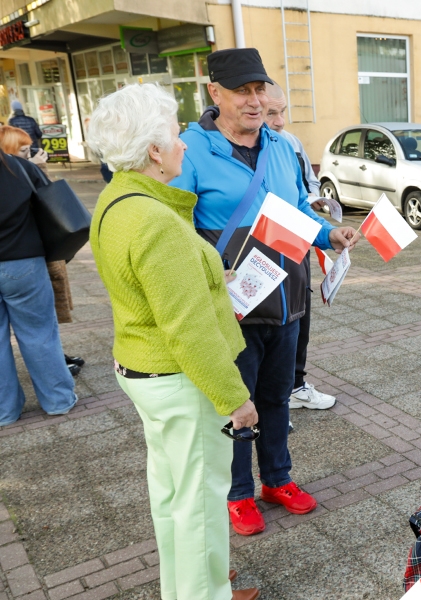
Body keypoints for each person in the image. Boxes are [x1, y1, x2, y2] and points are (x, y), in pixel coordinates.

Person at [170, 48, 357, 536]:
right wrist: (209, 269)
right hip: (232, 305)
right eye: (241, 92)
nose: (254, 101)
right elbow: (177, 228)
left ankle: (277, 478)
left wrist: (326, 234)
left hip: (286, 296)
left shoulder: (278, 145)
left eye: (259, 90)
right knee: (236, 403)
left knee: (276, 396)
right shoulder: (192, 151)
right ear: (215, 93)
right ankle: (237, 494)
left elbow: (298, 207)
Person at [87, 83, 260, 600]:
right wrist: (236, 399)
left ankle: (190, 587)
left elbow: (151, 288)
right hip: (178, 379)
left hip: (143, 370)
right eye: (175, 133)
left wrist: (209, 280)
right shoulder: (155, 219)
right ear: (154, 152)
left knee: (172, 494)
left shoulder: (119, 197)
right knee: (200, 503)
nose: (186, 142)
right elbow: (188, 330)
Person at [263, 83, 336, 411]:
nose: (280, 121)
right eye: (271, 114)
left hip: (292, 245)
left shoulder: (289, 144)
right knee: (260, 334)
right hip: (253, 256)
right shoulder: (216, 150)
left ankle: (293, 387)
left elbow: (307, 183)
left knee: (298, 320)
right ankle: (263, 399)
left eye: (283, 112)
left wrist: (316, 206)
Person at [0, 149, 77, 426]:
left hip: (22, 261)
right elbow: (51, 205)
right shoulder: (19, 167)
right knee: (39, 333)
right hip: (23, 262)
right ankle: (58, 400)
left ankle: (4, 411)